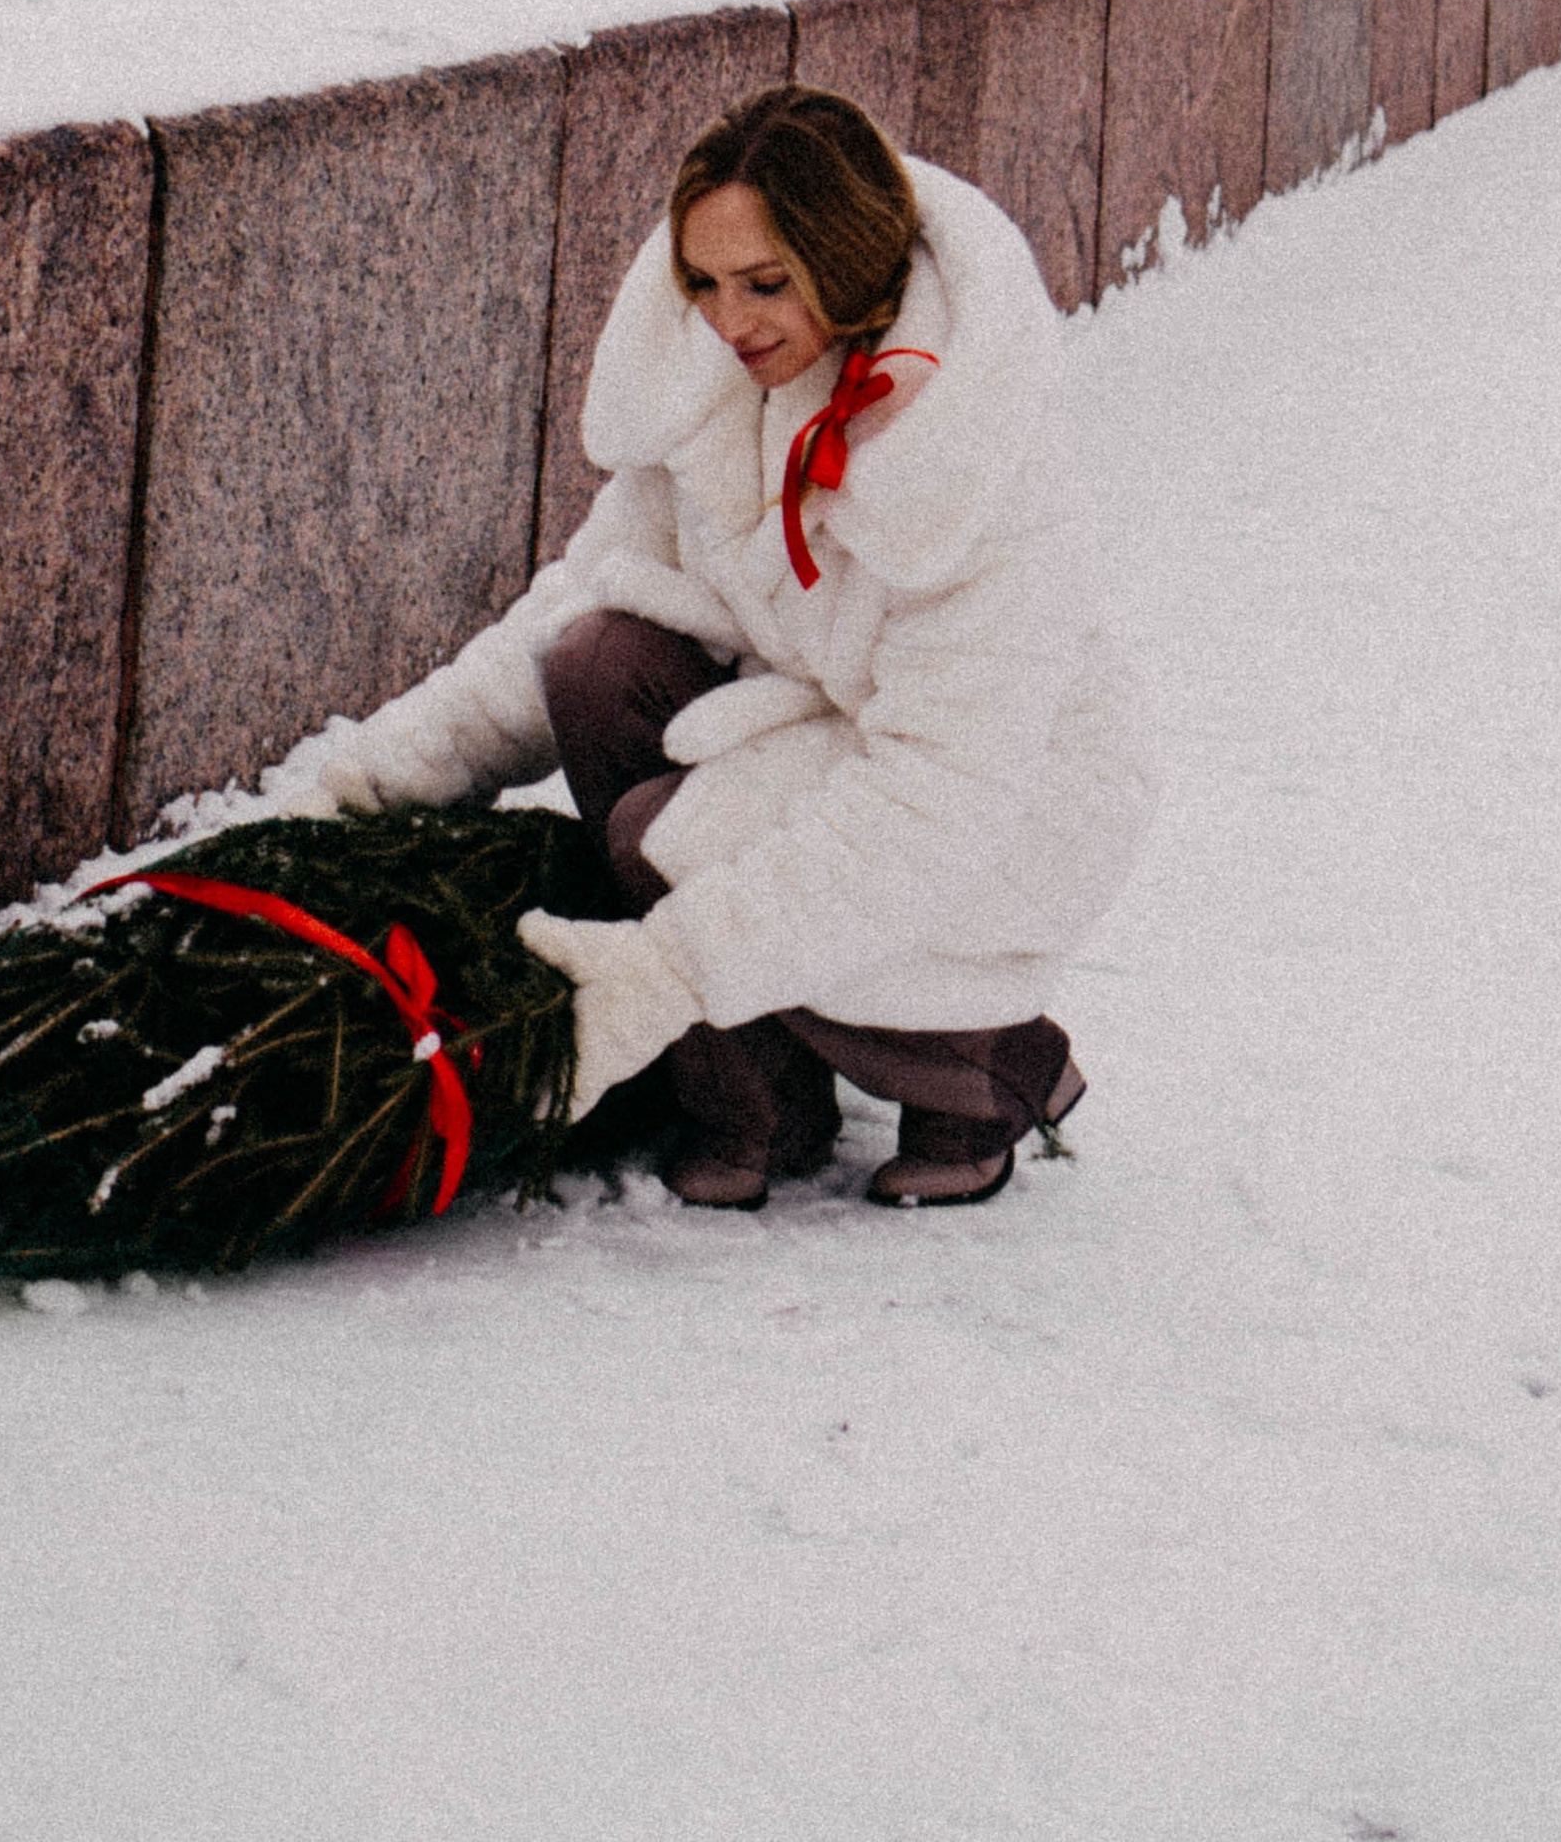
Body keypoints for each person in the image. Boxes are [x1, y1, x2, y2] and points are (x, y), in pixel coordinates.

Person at [271, 85, 1155, 1211]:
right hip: (821, 727)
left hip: (1013, 798)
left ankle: (983, 1066)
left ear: (843, 258)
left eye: (765, 284)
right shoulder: (723, 387)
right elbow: (574, 599)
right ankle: (762, 1104)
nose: (728, 320)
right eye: (702, 283)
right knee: (594, 663)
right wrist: (376, 780)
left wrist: (666, 971)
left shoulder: (981, 466)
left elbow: (935, 797)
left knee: (666, 836)